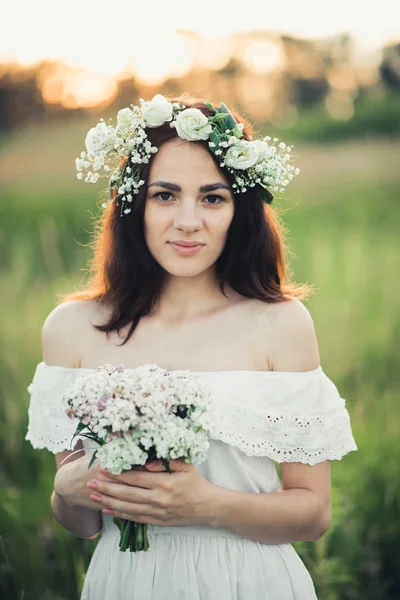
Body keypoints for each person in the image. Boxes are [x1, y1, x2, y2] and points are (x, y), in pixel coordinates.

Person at [26, 93, 358, 600]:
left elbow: (313, 514)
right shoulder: (72, 329)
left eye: (212, 197)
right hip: (127, 580)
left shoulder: (280, 325)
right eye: (165, 195)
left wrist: (205, 504)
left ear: (237, 210)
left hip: (250, 581)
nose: (187, 221)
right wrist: (67, 491)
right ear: (134, 202)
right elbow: (84, 524)